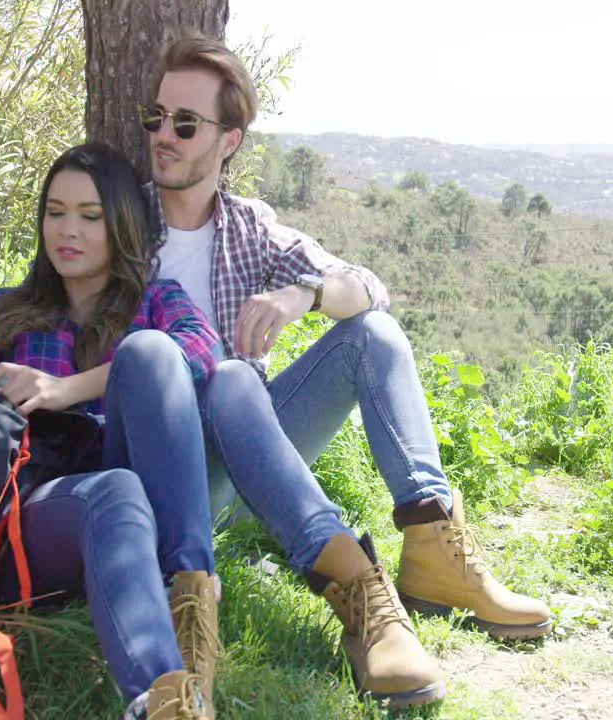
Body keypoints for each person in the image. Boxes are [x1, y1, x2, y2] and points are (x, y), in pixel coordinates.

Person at [137, 32, 554, 708]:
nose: (165, 135)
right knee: (229, 376)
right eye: (155, 118)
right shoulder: (122, 223)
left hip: (255, 464)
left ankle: (433, 552)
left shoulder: (250, 229)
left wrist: (302, 293)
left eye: (185, 123)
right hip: (172, 475)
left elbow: (368, 285)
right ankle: (357, 587)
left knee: (373, 335)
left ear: (229, 140)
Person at [0, 142, 222, 720]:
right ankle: (165, 704)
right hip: (36, 510)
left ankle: (187, 603)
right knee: (113, 492)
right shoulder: (9, 309)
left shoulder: (155, 300)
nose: (67, 230)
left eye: (90, 216)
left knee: (151, 359)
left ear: (120, 225)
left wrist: (66, 389)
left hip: (140, 499)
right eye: (55, 211)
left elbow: (199, 353)